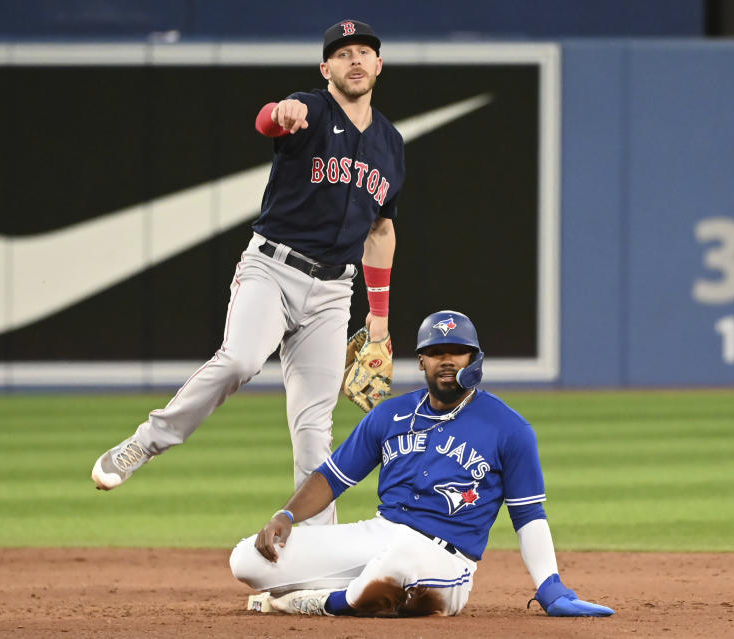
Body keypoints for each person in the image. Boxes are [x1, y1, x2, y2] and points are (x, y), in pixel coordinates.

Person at [91, 19, 404, 527]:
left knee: (314, 430)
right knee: (239, 361)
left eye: (364, 51)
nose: (355, 60)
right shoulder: (309, 108)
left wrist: (380, 321)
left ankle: (313, 556)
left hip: (332, 294)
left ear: (378, 65)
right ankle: (144, 443)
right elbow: (268, 123)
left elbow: (381, 233)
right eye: (343, 53)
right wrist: (281, 112)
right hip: (273, 269)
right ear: (326, 68)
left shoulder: (391, 145)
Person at [228, 310, 615, 618]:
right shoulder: (389, 415)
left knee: (395, 563)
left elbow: (528, 514)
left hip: (446, 561)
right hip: (380, 537)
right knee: (248, 559)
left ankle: (298, 603)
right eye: (436, 351)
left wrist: (550, 587)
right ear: (421, 361)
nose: (446, 360)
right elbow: (332, 478)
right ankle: (357, 594)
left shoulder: (510, 429)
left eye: (457, 350)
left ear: (474, 358)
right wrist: (286, 516)